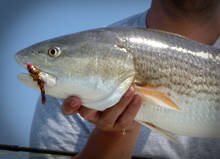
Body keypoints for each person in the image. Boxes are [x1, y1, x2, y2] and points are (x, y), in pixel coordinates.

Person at [30, 0, 220, 159]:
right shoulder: (65, 83)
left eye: (53, 53)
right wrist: (112, 134)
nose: (51, 58)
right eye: (53, 53)